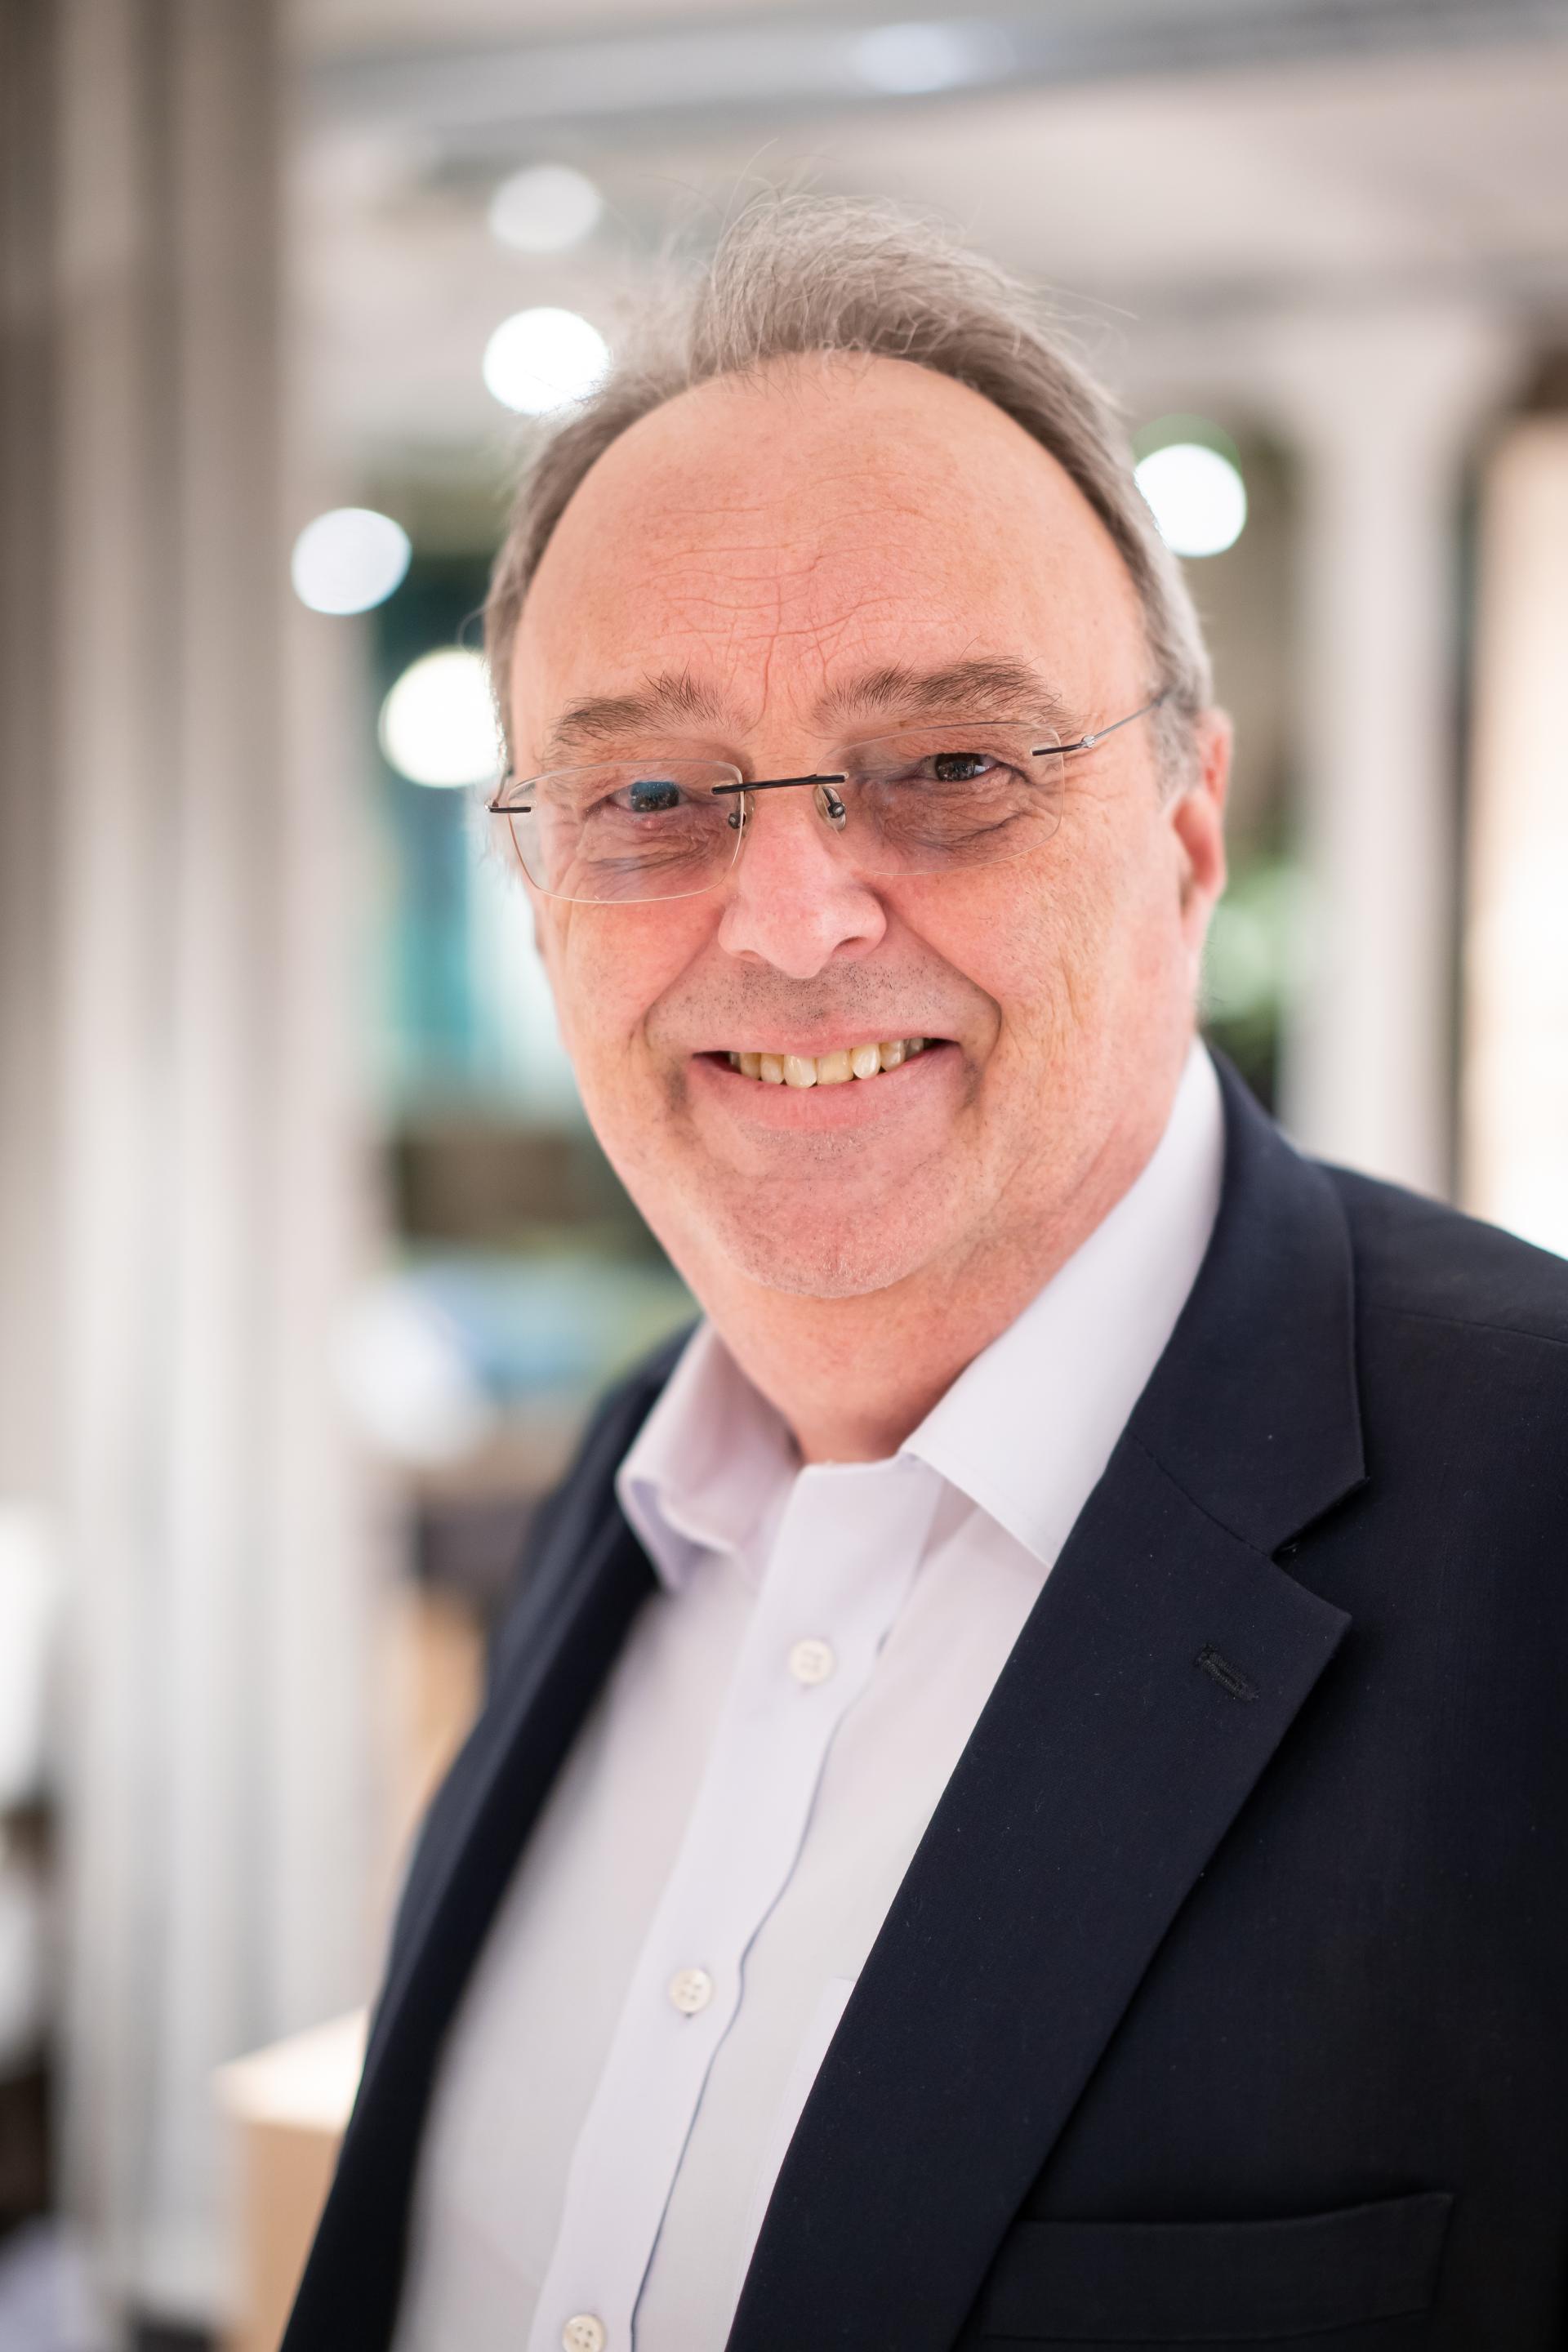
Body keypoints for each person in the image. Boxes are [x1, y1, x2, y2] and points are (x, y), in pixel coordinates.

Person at [283, 201, 1568, 2352]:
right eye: (653, 793)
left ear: (1184, 829)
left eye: (954, 766)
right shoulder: (633, 1490)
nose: (789, 922)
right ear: (533, 891)